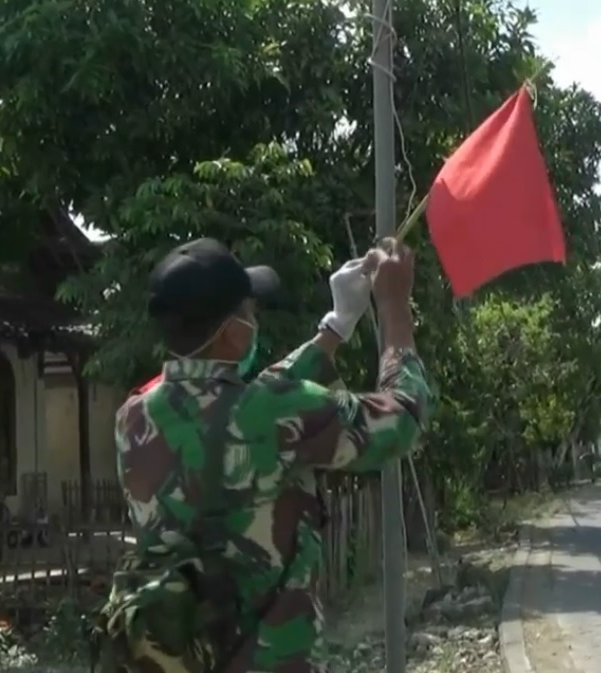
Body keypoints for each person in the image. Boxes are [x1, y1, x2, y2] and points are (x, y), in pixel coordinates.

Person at [91, 237, 431, 673]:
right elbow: (403, 418)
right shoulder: (272, 414)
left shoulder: (134, 417)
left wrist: (336, 326)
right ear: (233, 334)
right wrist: (394, 306)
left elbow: (242, 407)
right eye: (251, 313)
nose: (257, 321)